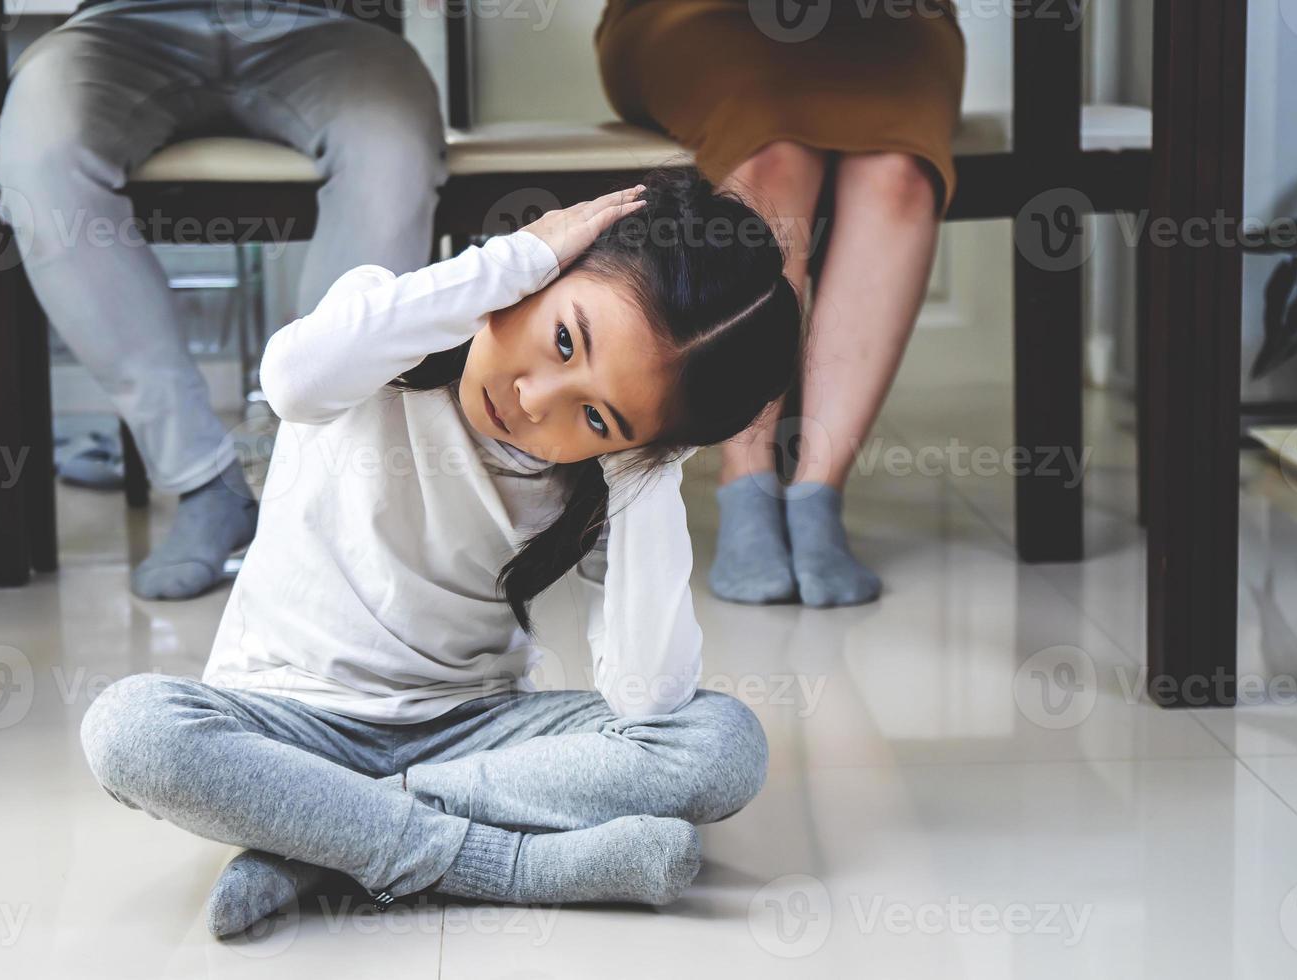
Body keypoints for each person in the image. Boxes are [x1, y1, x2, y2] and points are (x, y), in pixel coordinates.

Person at [78, 173, 803, 935]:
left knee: (720, 745)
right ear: (550, 266)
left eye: (594, 415)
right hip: (284, 721)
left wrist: (643, 470)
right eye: (563, 339)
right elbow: (290, 382)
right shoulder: (387, 324)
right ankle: (501, 865)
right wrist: (508, 262)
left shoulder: (597, 481)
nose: (535, 399)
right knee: (129, 729)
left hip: (470, 730)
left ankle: (321, 836)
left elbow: (644, 697)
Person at [0, 0, 447, 599]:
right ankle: (204, 481)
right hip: (122, 23)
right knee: (39, 159)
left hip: (327, 26)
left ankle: (309, 483)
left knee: (393, 153)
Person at [596, 0, 966, 606]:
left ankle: (819, 494)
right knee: (771, 159)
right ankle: (749, 485)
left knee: (901, 174)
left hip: (892, 27)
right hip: (696, 16)